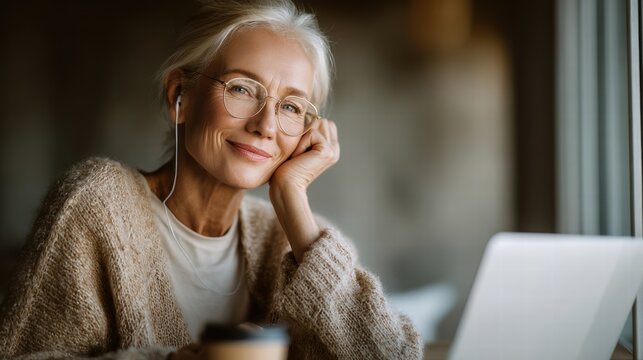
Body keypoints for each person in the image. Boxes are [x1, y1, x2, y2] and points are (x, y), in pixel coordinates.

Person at [0, 1, 422, 359]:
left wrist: (292, 197)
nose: (266, 125)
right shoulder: (97, 204)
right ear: (178, 97)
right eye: (242, 89)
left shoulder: (289, 240)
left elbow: (390, 354)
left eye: (292, 107)